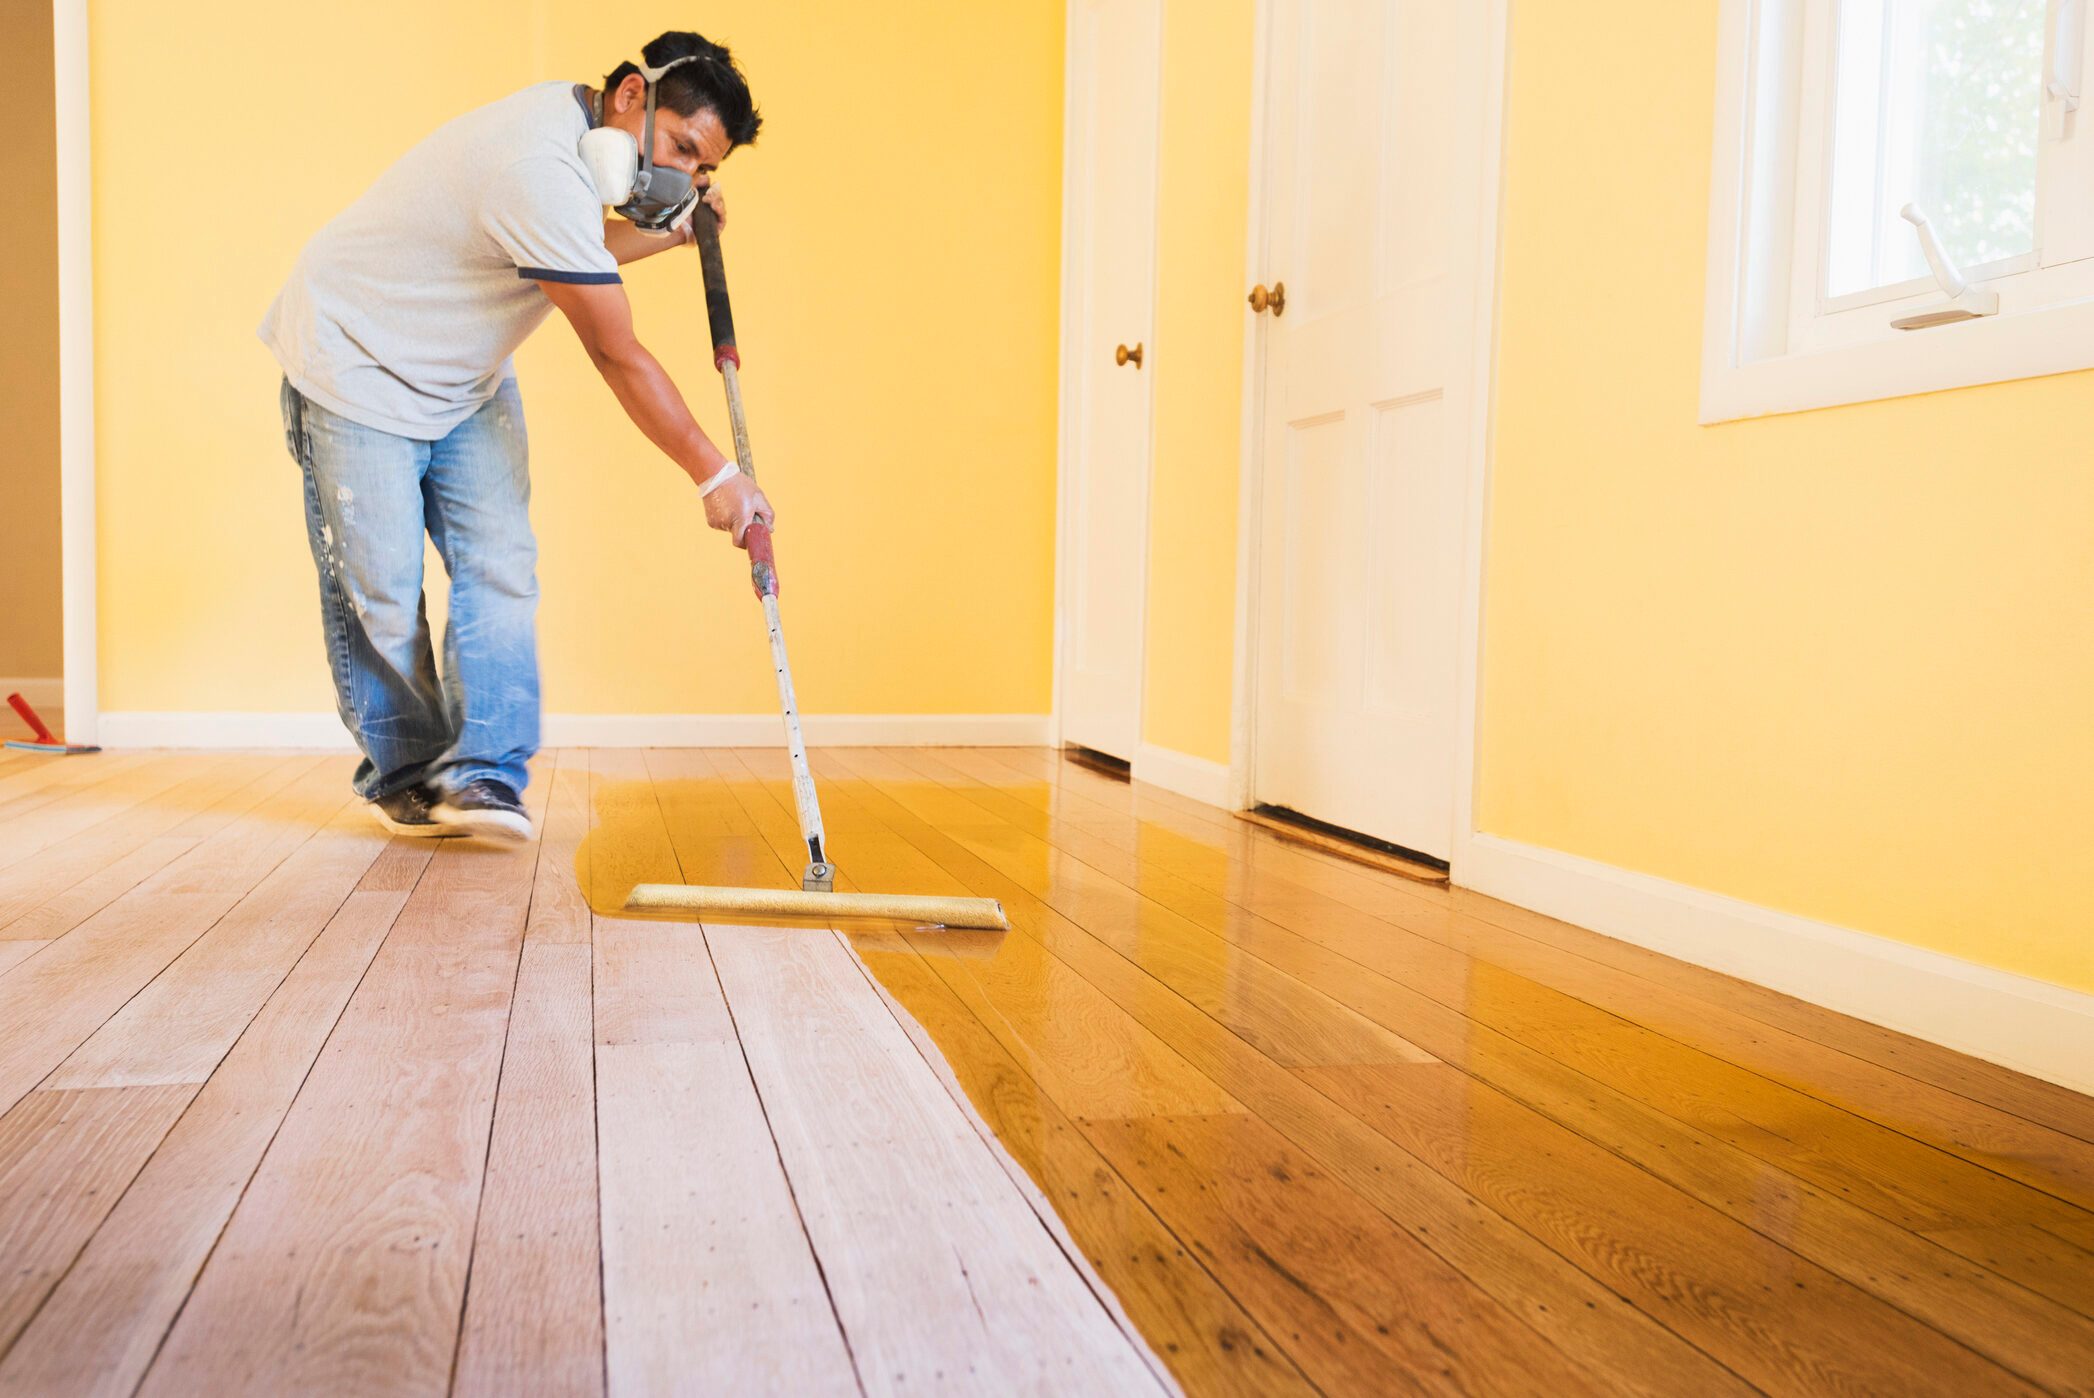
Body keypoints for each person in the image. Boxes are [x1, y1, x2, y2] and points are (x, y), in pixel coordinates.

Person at [261, 30, 769, 841]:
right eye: (679, 148)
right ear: (632, 96)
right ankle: (410, 776)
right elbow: (616, 351)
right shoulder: (533, 164)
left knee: (500, 564)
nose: (685, 176)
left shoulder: (572, 151)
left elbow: (573, 246)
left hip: (461, 373)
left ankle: (486, 778)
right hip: (356, 357)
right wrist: (717, 476)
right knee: (382, 592)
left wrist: (677, 231)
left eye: (703, 169)